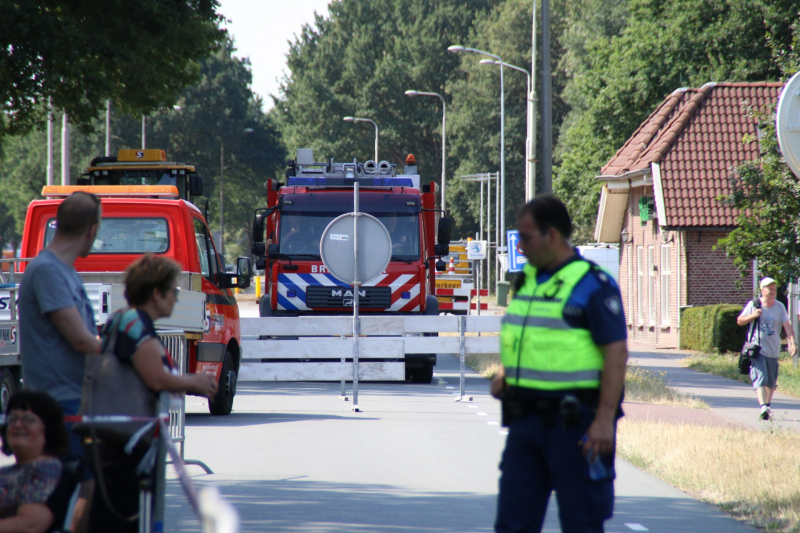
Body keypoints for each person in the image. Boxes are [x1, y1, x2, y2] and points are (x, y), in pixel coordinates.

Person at [490, 194, 628, 533]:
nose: (520, 246)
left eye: (526, 237)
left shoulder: (591, 284)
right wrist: (506, 374)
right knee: (511, 524)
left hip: (575, 427)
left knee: (581, 524)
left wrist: (604, 420)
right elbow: (529, 336)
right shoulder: (530, 283)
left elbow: (616, 352)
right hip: (525, 425)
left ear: (551, 235)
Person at [86, 254, 217, 533]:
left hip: (117, 439)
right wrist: (192, 383)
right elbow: (155, 378)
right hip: (124, 443)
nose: (176, 298)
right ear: (157, 293)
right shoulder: (134, 322)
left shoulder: (125, 319)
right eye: (173, 291)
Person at [18, 191, 103, 530]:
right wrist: (126, 352)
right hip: (55, 406)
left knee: (87, 484)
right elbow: (80, 338)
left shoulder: (65, 272)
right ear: (91, 231)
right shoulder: (47, 271)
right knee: (55, 501)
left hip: (72, 402)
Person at [0, 390, 74, 532]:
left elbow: (30, 525)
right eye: (13, 419)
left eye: (28, 419)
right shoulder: (6, 471)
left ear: (48, 430)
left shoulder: (47, 469)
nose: (18, 424)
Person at [736, 277, 796, 421]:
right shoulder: (754, 304)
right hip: (758, 349)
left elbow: (787, 326)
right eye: (770, 289)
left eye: (775, 289)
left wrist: (792, 342)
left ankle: (767, 406)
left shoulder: (779, 307)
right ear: (762, 290)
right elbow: (740, 320)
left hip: (773, 350)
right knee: (761, 376)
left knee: (771, 381)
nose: (773, 291)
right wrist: (753, 315)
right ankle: (763, 406)